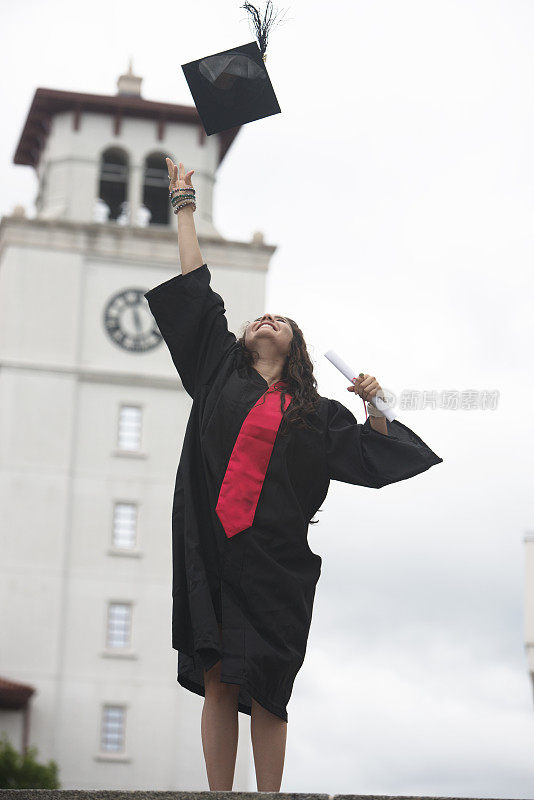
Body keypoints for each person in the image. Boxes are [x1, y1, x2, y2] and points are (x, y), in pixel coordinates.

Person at [144, 159, 443, 793]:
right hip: (214, 545)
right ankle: (220, 794)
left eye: (280, 320)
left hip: (274, 560)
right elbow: (196, 289)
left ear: (297, 348)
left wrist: (376, 404)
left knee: (270, 683)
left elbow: (373, 454)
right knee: (221, 672)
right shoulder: (217, 370)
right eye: (259, 318)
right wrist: (186, 207)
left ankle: (271, 797)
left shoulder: (318, 414)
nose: (266, 319)